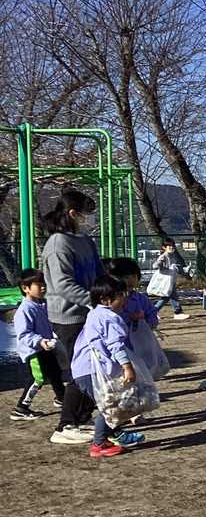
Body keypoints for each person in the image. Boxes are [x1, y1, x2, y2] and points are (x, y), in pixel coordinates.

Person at [40, 189, 104, 445]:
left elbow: (99, 272)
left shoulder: (85, 240)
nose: (91, 218)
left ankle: (82, 418)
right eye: (87, 213)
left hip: (91, 312)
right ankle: (66, 425)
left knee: (97, 368)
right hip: (68, 317)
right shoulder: (58, 244)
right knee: (82, 370)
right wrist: (95, 301)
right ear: (73, 213)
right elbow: (63, 285)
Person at [69, 275, 146, 458]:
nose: (124, 298)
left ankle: (113, 435)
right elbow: (115, 345)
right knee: (111, 405)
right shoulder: (110, 317)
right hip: (92, 370)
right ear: (105, 299)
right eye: (120, 295)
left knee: (111, 404)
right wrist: (127, 366)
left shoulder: (95, 313)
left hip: (82, 369)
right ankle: (99, 444)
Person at [11, 269, 66, 421]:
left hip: (46, 347)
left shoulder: (41, 304)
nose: (43, 287)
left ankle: (62, 398)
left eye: (44, 284)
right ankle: (21, 408)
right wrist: (40, 341)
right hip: (33, 351)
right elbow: (24, 334)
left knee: (55, 372)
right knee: (38, 378)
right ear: (25, 288)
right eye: (39, 285)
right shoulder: (25, 310)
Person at [149, 238, 190, 319]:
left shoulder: (172, 256)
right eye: (169, 246)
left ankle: (152, 312)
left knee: (168, 297)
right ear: (164, 247)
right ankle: (177, 312)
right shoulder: (163, 256)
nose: (171, 247)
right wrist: (161, 266)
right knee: (169, 296)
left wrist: (183, 270)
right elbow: (155, 265)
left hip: (170, 281)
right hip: (165, 281)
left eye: (172, 246)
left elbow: (174, 268)